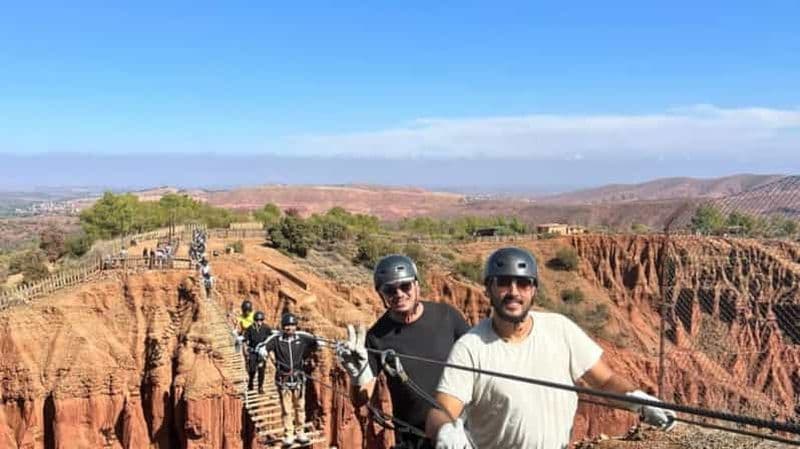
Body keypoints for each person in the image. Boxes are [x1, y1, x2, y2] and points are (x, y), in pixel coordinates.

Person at [426, 247, 676, 449]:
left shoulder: (560, 329)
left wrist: (639, 401)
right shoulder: (470, 348)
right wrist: (446, 431)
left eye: (523, 283)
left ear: (534, 290)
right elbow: (442, 409)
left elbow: (605, 380)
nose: (513, 292)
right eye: (503, 282)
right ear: (488, 289)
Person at [337, 255, 470, 449]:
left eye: (405, 286)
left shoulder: (446, 316)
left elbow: (478, 364)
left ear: (417, 285)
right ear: (381, 294)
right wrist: (357, 378)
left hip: (459, 433)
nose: (399, 294)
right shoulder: (377, 336)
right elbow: (361, 399)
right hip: (415, 440)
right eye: (390, 290)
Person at [264, 312, 318, 446]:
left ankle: (300, 432)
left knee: (300, 407)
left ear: (296, 326)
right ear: (283, 327)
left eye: (292, 325)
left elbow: (315, 342)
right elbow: (265, 346)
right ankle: (288, 434)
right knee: (287, 410)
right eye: (287, 326)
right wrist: (262, 352)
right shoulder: (276, 340)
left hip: (298, 380)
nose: (290, 328)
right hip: (284, 381)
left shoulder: (302, 338)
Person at [244, 311, 273, 394]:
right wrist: (245, 347)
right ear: (254, 320)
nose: (259, 322)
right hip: (253, 351)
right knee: (252, 369)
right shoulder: (250, 328)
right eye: (257, 320)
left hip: (262, 352)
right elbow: (245, 339)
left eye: (260, 320)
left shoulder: (266, 328)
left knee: (261, 370)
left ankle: (260, 387)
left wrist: (268, 347)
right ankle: (250, 382)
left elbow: (271, 337)